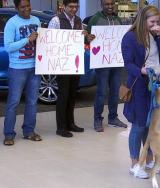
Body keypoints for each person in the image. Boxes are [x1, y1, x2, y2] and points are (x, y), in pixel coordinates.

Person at [121, 6, 160, 178]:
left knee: (150, 124)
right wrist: (141, 71)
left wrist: (159, 36)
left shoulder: (154, 35)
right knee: (139, 124)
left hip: (155, 84)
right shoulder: (130, 37)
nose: (155, 24)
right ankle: (134, 163)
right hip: (139, 85)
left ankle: (148, 156)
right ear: (143, 20)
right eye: (152, 22)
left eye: (157, 22)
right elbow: (128, 63)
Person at [3, 0, 42, 146]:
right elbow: (8, 47)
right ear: (17, 8)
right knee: (13, 102)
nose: (26, 9)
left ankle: (29, 131)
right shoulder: (12, 23)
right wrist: (27, 39)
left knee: (32, 102)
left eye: (28, 6)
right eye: (23, 7)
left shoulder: (36, 20)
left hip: (35, 67)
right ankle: (8, 134)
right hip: (17, 69)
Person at [87, 0, 127, 132]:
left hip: (116, 62)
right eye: (106, 4)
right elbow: (86, 37)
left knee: (115, 91)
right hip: (101, 63)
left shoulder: (118, 20)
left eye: (111, 4)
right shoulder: (95, 19)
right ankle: (97, 119)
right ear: (101, 5)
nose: (109, 6)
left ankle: (113, 118)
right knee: (101, 92)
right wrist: (88, 38)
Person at [48, 0, 84, 138]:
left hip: (75, 63)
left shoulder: (78, 20)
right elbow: (50, 41)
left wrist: (85, 37)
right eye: (71, 7)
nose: (74, 9)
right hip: (62, 63)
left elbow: (80, 40)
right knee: (63, 95)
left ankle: (71, 123)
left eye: (76, 7)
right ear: (63, 6)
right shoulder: (56, 21)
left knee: (72, 94)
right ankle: (61, 127)